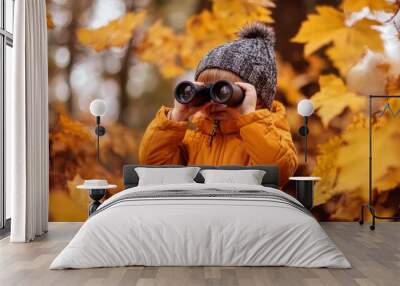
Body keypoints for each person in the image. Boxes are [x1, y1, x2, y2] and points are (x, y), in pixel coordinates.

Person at [139, 22, 298, 187]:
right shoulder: (191, 140)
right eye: (207, 91)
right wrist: (176, 117)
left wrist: (250, 117)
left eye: (224, 92)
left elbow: (277, 170)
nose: (215, 102)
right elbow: (154, 166)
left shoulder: (271, 136)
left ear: (257, 99)